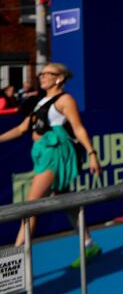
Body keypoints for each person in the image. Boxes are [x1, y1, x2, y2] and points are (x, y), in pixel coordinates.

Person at [0, 63, 103, 267]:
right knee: (67, 202)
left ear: (59, 78)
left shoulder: (65, 100)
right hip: (43, 155)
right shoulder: (40, 102)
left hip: (55, 157)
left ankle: (15, 263)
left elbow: (78, 128)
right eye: (42, 73)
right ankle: (89, 243)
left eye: (47, 73)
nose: (42, 76)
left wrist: (92, 153)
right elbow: (22, 129)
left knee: (30, 208)